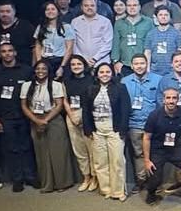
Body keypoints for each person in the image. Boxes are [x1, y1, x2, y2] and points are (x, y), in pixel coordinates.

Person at [0, 42, 37, 193]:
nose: (7, 54)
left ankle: (30, 176)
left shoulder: (27, 70)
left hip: (25, 115)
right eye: (3, 51)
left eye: (10, 51)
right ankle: (17, 179)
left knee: (27, 147)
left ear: (15, 53)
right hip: (5, 118)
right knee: (12, 149)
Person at [20, 61, 78, 193]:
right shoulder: (26, 86)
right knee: (42, 153)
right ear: (34, 71)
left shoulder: (56, 85)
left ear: (48, 71)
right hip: (35, 119)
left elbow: (59, 105)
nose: (41, 71)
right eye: (38, 68)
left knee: (58, 152)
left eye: (44, 69)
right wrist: (36, 121)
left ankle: (62, 183)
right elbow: (24, 105)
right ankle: (47, 184)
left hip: (53, 119)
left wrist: (45, 120)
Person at [142, 88, 181, 208]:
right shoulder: (154, 115)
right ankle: (151, 194)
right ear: (163, 100)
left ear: (178, 100)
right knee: (154, 175)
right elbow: (146, 138)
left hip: (176, 149)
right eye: (168, 98)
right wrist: (147, 160)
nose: (171, 101)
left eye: (174, 98)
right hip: (158, 150)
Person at [82, 62, 132, 200]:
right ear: (97, 75)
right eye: (101, 72)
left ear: (112, 73)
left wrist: (122, 129)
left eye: (107, 72)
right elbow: (86, 111)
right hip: (97, 131)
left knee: (117, 162)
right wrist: (88, 130)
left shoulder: (120, 88)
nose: (105, 75)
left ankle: (118, 191)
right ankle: (106, 190)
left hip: (114, 130)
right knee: (100, 162)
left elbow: (125, 110)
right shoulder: (90, 89)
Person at [122, 54, 161, 193]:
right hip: (134, 124)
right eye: (136, 64)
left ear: (147, 64)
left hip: (153, 125)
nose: (139, 66)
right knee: (138, 154)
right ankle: (141, 181)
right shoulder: (124, 81)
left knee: (155, 154)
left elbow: (161, 103)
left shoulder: (158, 80)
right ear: (132, 66)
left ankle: (155, 182)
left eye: (142, 63)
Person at [62, 55, 96, 192]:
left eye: (79, 64)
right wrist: (71, 115)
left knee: (92, 149)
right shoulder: (66, 81)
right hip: (72, 116)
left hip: (88, 116)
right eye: (73, 65)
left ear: (84, 65)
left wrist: (83, 116)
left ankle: (95, 178)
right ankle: (86, 177)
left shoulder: (92, 80)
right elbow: (64, 100)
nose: (76, 66)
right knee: (79, 150)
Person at [0, 0, 35, 75]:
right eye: (1, 11)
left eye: (8, 11)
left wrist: (34, 66)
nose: (5, 14)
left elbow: (34, 48)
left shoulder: (26, 26)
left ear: (14, 12)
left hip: (22, 69)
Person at [112, 0, 152, 78]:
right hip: (125, 64)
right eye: (129, 5)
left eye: (135, 5)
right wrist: (115, 61)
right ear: (126, 7)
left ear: (139, 7)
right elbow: (115, 43)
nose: (132, 8)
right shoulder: (119, 23)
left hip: (143, 64)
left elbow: (153, 42)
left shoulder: (148, 22)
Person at [34, 1, 75, 79]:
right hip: (45, 60)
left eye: (53, 9)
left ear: (58, 11)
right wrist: (40, 63)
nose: (50, 11)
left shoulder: (66, 27)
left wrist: (62, 66)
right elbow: (38, 46)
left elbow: (69, 48)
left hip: (60, 61)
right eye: (47, 9)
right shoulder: (40, 27)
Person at [71, 0, 113, 69]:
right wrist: (82, 59)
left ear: (96, 7)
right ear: (81, 7)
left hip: (101, 62)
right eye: (86, 5)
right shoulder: (75, 22)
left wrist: (95, 58)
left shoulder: (105, 22)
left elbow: (108, 43)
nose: (89, 8)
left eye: (92, 5)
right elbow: (74, 43)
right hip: (81, 63)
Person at [148, 7, 181, 76]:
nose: (163, 17)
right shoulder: (150, 34)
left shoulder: (177, 33)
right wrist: (147, 69)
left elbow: (180, 52)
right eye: (160, 15)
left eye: (166, 15)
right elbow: (148, 52)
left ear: (170, 17)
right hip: (154, 72)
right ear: (156, 17)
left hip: (172, 72)